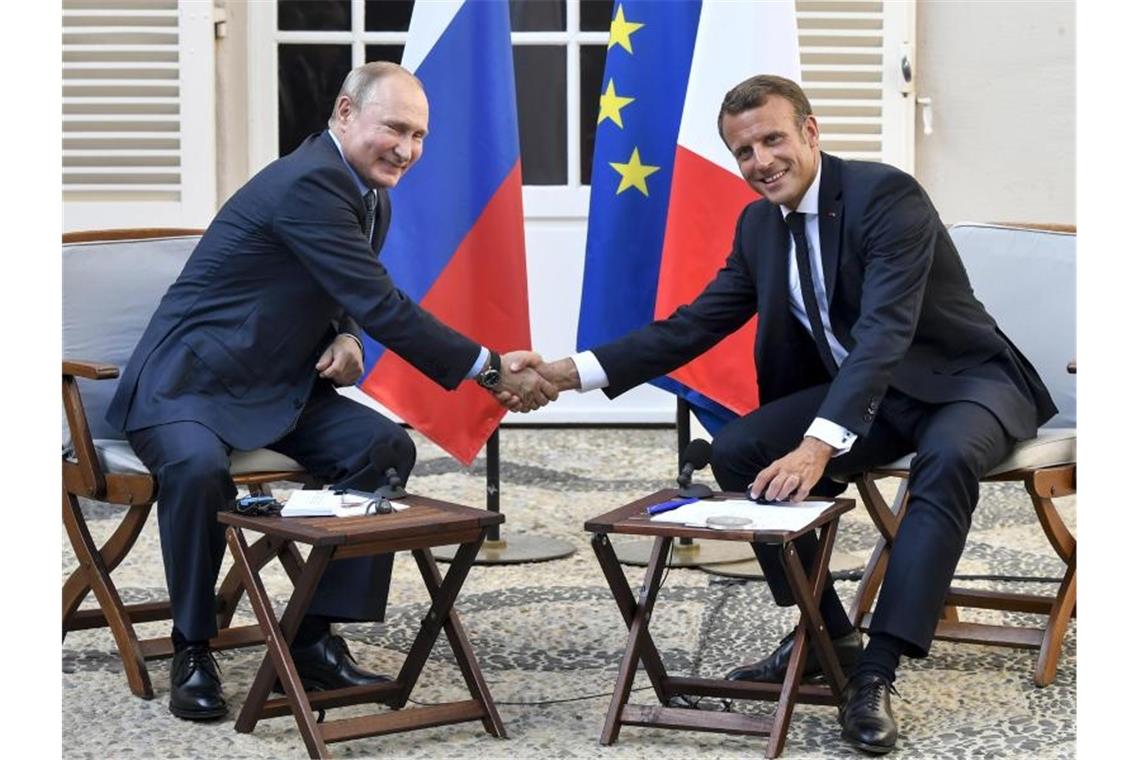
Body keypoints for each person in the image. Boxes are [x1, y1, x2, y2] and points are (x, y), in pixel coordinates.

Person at [533, 75, 1055, 754]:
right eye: (744, 151)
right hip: (873, 397)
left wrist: (818, 445)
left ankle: (876, 670)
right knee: (739, 451)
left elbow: (884, 335)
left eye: (773, 139)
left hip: (962, 382)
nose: (761, 161)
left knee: (947, 459)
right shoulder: (758, 225)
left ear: (810, 132)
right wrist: (570, 372)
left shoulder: (886, 196)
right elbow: (694, 325)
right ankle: (827, 634)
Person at [106, 61, 556, 721]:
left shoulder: (369, 191)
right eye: (395, 128)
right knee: (200, 471)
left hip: (279, 386)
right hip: (187, 387)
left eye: (420, 135)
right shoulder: (310, 183)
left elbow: (345, 290)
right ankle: (192, 647)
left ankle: (313, 636)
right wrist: (489, 367)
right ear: (345, 113)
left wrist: (346, 337)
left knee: (379, 448)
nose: (407, 149)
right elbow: (379, 299)